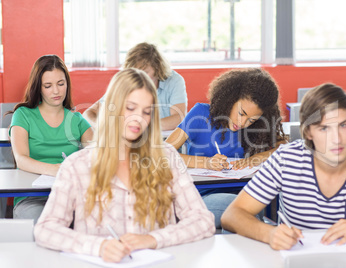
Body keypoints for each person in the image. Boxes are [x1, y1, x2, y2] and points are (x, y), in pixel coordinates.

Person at [34, 68, 215, 263]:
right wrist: (99, 247)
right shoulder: (76, 166)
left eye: (147, 111)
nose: (138, 118)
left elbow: (203, 220)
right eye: (130, 108)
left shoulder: (167, 157)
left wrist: (152, 239)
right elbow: (46, 228)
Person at [221, 83, 346, 250]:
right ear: (308, 132)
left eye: (343, 125)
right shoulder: (286, 159)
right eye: (324, 128)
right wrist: (269, 233)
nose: (336, 138)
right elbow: (232, 215)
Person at [165, 68, 286, 228]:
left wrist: (257, 157)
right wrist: (206, 163)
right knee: (245, 213)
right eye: (241, 113)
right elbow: (163, 153)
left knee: (253, 208)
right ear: (230, 99)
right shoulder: (200, 114)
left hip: (243, 194)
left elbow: (283, 146)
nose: (243, 123)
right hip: (202, 196)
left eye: (252, 120)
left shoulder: (256, 129)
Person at [9, 55, 93, 224]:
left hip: (69, 196)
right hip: (31, 197)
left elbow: (96, 155)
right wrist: (56, 169)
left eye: (61, 84)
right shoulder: (23, 115)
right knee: (43, 226)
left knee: (87, 224)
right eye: (48, 86)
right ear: (38, 88)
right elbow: (21, 159)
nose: (56, 91)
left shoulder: (76, 120)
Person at [83, 42, 187, 131]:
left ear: (157, 68)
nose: (139, 77)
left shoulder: (174, 81)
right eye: (134, 72)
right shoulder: (125, 81)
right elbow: (89, 113)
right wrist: (102, 127)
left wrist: (139, 126)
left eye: (145, 72)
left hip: (164, 140)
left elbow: (179, 117)